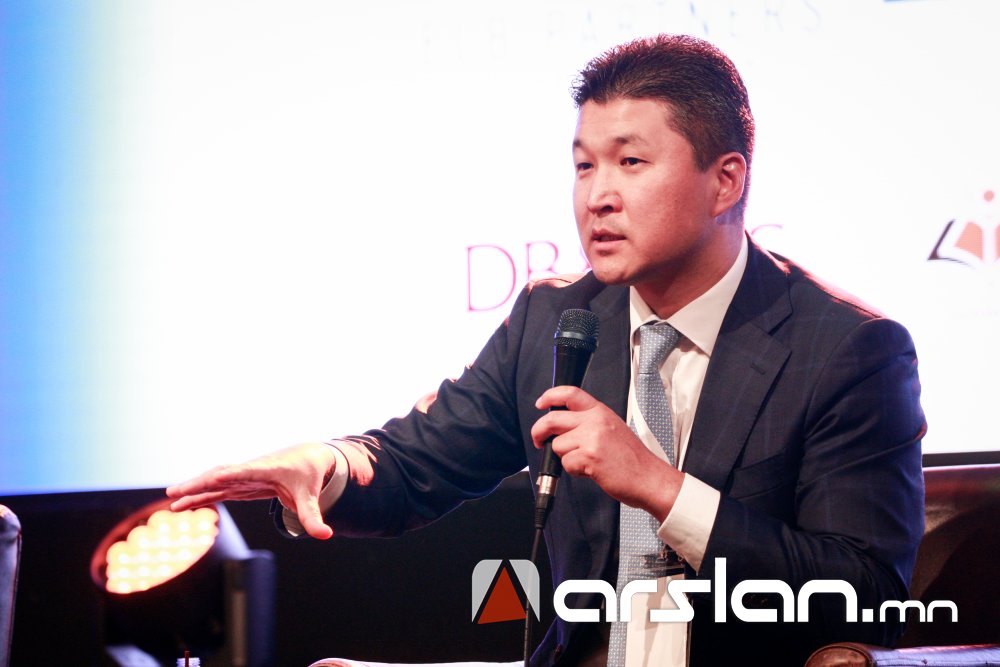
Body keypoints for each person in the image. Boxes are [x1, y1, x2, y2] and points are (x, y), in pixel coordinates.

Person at [168, 34, 925, 667]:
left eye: (630, 163)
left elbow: (864, 596)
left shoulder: (847, 350)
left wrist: (661, 488)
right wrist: (328, 465)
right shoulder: (557, 317)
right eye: (584, 165)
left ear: (725, 182)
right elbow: (416, 463)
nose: (596, 196)